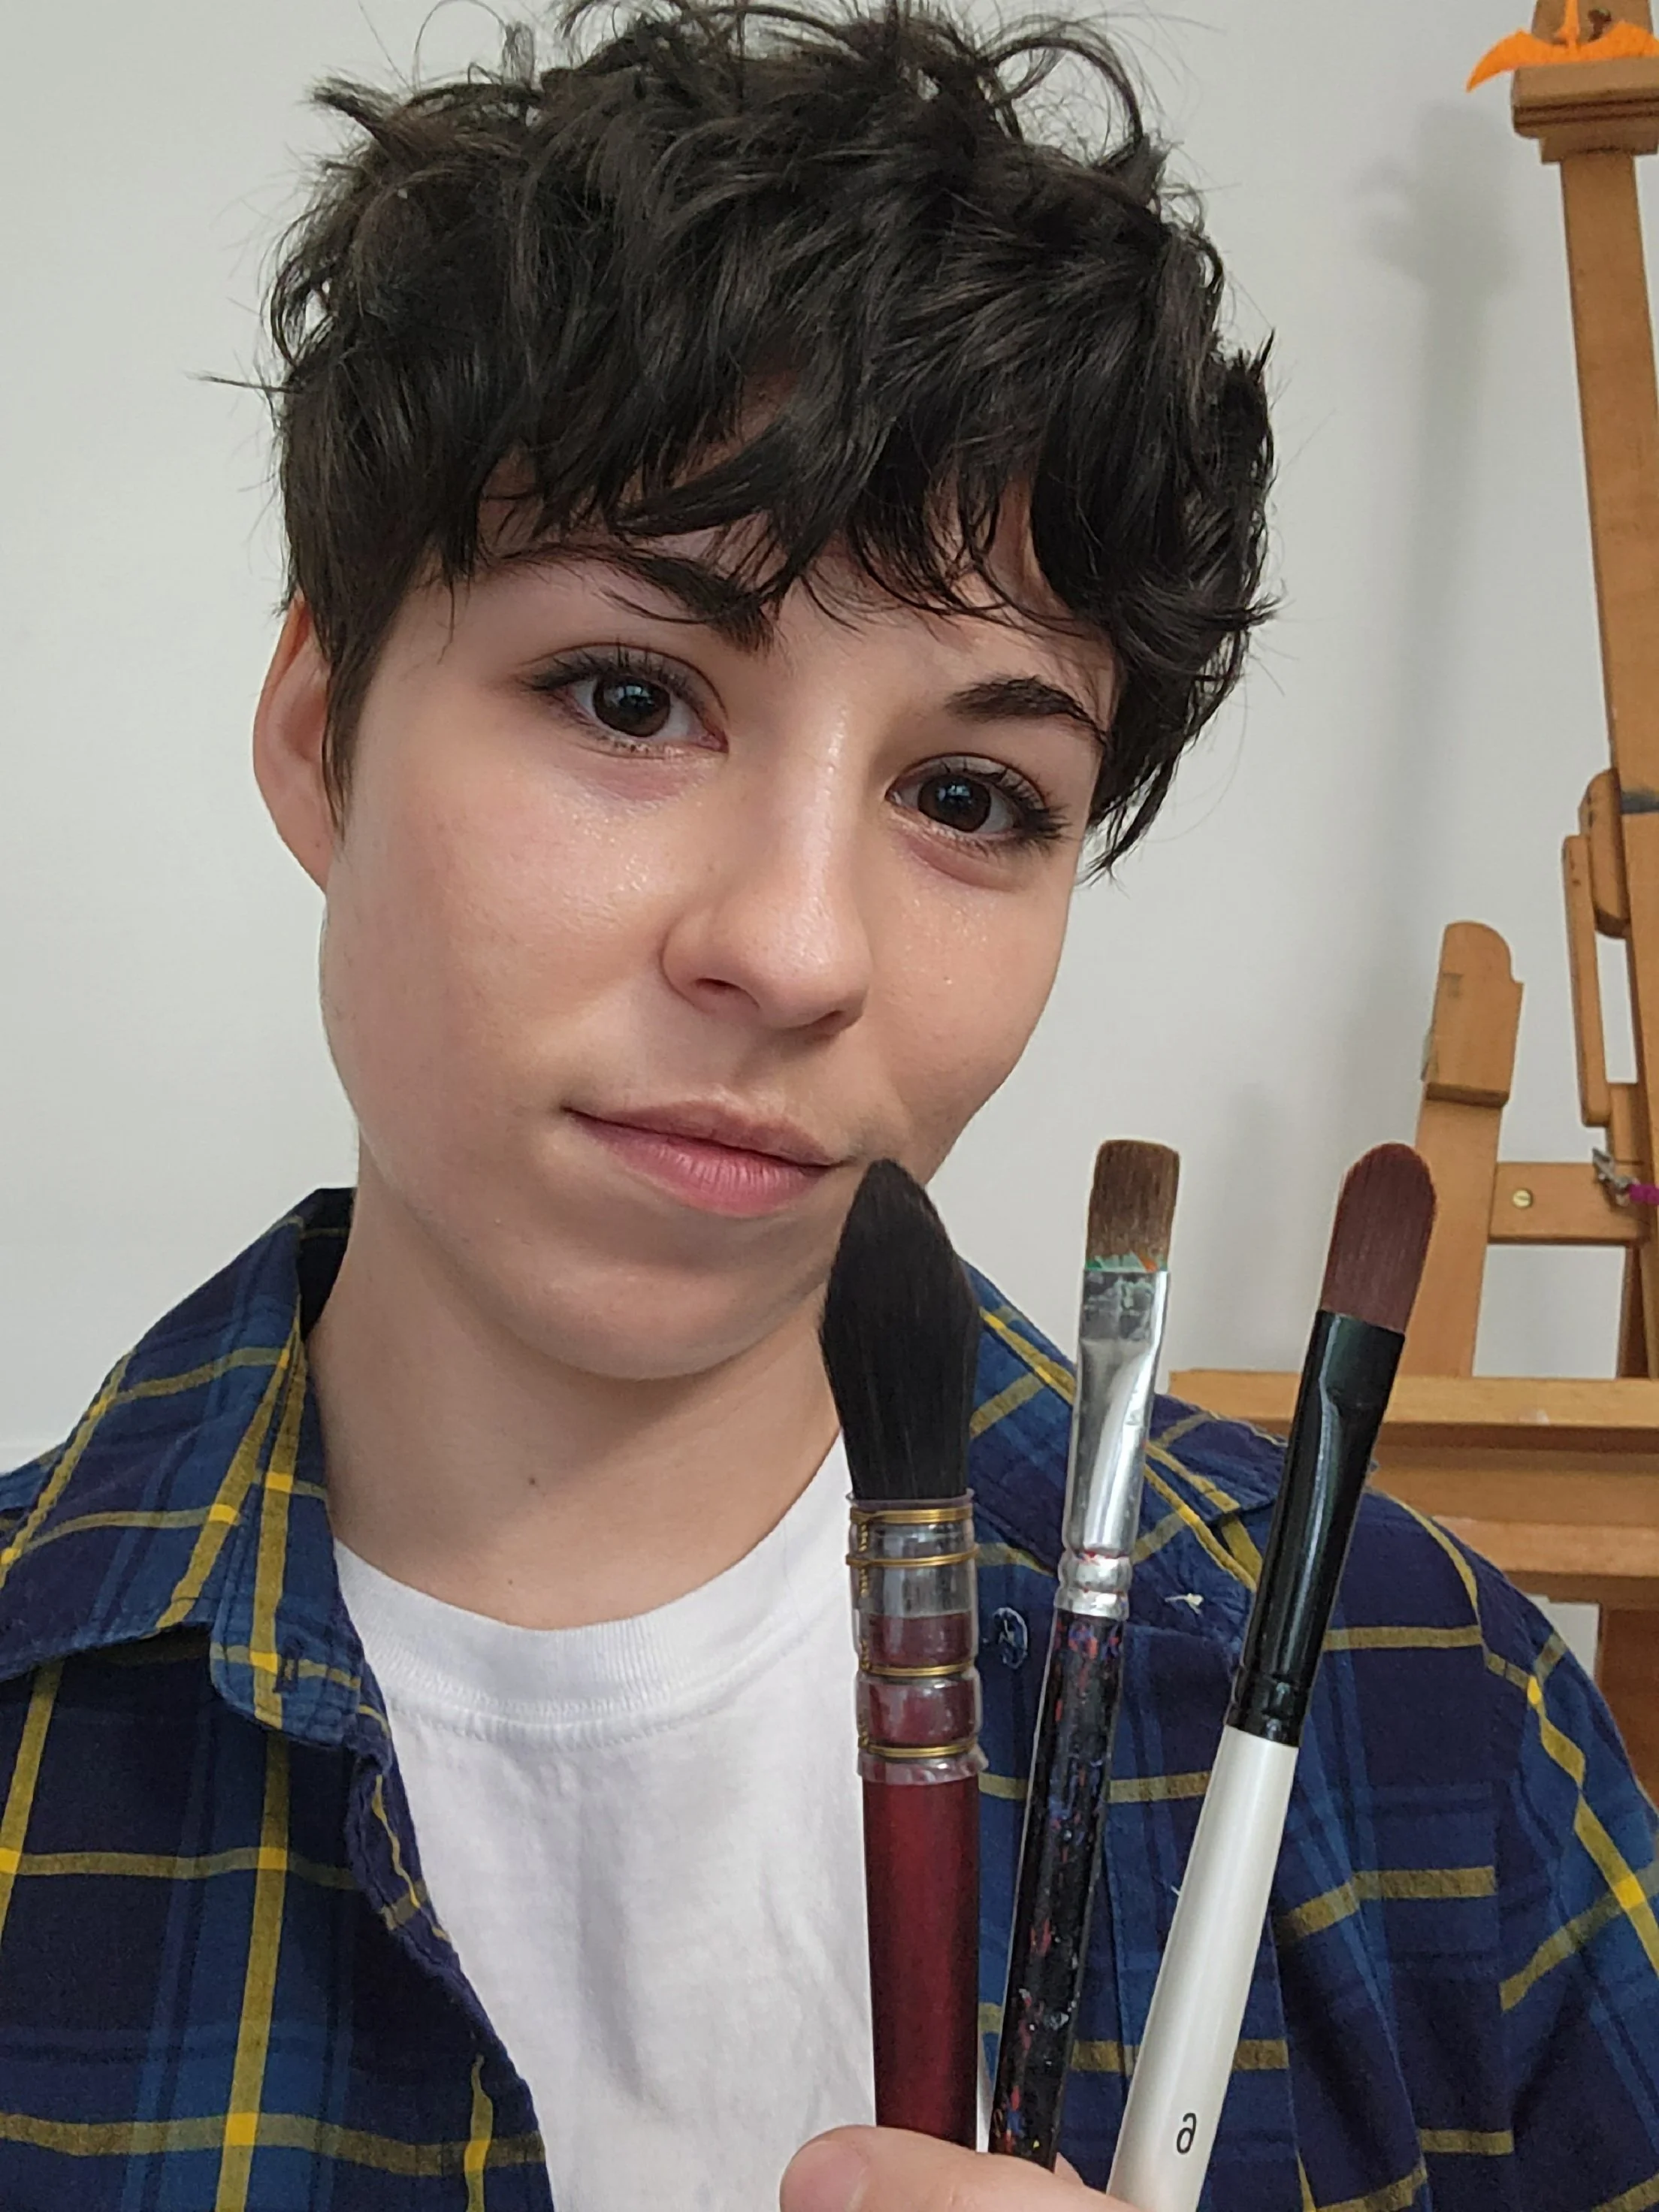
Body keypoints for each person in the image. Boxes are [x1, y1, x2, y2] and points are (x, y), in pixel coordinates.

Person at [0, 4, 1654, 2207]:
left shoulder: (1423, 1715)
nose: (793, 951)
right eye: (629, 694)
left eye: (971, 796)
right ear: (322, 738)